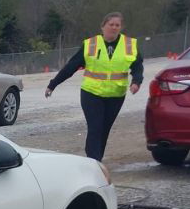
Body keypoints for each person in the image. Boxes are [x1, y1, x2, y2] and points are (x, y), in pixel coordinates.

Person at [44, 12, 143, 162]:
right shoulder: (91, 44)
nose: (114, 28)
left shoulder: (129, 44)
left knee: (104, 130)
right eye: (111, 25)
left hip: (116, 95)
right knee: (95, 128)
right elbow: (71, 66)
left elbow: (137, 67)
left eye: (117, 25)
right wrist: (53, 84)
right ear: (103, 26)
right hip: (91, 93)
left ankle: (97, 160)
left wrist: (136, 81)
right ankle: (93, 162)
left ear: (121, 27)